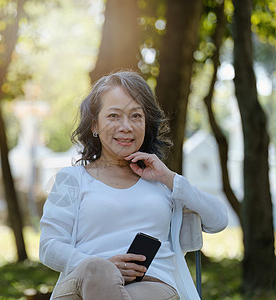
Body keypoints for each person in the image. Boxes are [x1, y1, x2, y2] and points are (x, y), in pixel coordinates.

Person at [39, 71, 228, 300]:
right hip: (82, 283)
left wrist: (169, 177)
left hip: (152, 285)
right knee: (99, 272)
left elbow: (219, 220)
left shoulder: (163, 184)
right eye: (114, 116)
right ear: (94, 125)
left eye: (136, 116)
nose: (126, 126)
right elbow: (48, 246)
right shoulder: (72, 179)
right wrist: (102, 265)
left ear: (146, 123)